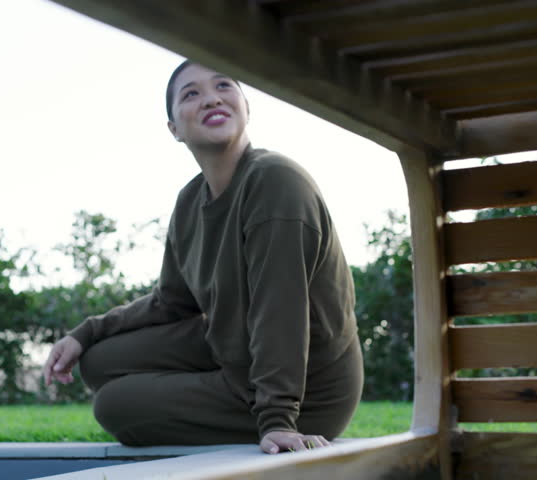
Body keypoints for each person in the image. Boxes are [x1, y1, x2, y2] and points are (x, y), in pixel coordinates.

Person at [43, 60, 363, 455]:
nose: (211, 98)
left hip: (309, 394)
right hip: (235, 346)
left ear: (246, 107)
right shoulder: (190, 200)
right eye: (191, 93)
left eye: (224, 85)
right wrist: (85, 332)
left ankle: (253, 405)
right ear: (174, 129)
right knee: (97, 360)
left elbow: (281, 311)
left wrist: (278, 419)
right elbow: (171, 302)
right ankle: (218, 386)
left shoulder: (276, 182)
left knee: (114, 405)